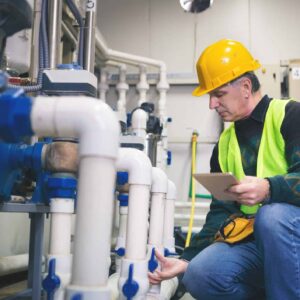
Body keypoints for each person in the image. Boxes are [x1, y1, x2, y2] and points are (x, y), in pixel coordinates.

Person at [148, 39, 300, 300]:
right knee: (200, 274)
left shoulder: (290, 115)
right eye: (210, 96)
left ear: (245, 87)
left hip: (289, 234)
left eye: (218, 94)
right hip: (257, 243)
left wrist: (268, 189)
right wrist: (187, 259)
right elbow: (222, 211)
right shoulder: (225, 145)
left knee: (272, 217)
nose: (211, 104)